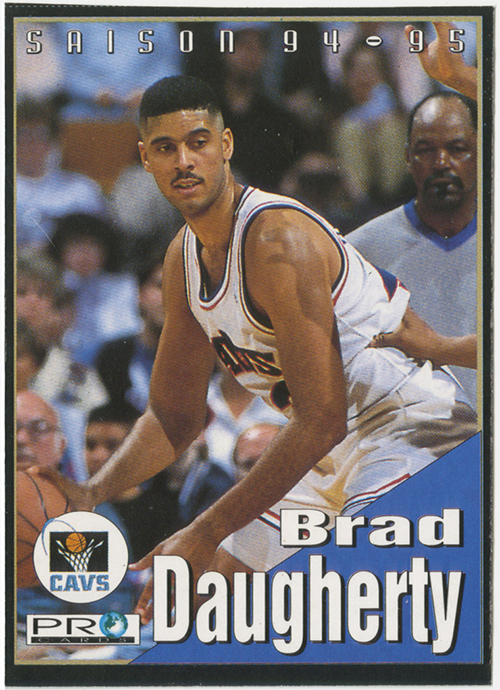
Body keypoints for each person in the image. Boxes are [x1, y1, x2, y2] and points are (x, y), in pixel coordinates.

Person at [38, 76, 476, 627]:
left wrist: (204, 528)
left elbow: (320, 419)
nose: (184, 161)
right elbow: (174, 417)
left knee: (357, 591)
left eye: (198, 142)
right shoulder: (182, 258)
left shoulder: (276, 239)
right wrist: (92, 491)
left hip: (411, 427)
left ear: (225, 145)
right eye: (166, 148)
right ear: (146, 159)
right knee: (209, 594)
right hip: (329, 445)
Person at [348, 90, 477, 405]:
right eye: (425, 150)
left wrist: (436, 347)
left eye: (457, 149)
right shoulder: (359, 251)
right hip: (408, 430)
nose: (441, 163)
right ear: (407, 158)